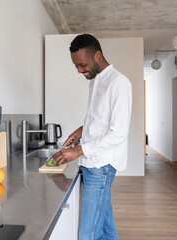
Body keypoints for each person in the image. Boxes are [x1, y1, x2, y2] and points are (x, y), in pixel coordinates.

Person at [50, 34, 132, 240]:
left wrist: (77, 151)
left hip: (101, 165)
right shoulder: (95, 81)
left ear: (97, 55)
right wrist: (80, 131)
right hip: (92, 162)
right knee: (104, 222)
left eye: (82, 64)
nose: (79, 70)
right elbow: (97, 119)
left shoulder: (119, 83)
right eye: (76, 66)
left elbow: (118, 133)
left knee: (88, 234)